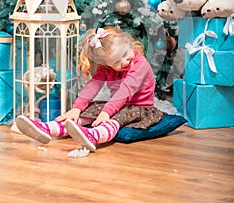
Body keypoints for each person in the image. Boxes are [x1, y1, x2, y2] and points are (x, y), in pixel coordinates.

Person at [16, 26, 163, 152]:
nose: (124, 62)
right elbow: (92, 87)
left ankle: (95, 135)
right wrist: (76, 109)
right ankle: (49, 128)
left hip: (141, 108)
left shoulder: (140, 64)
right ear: (106, 63)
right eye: (117, 62)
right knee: (93, 107)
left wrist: (106, 112)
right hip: (118, 104)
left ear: (129, 45)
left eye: (125, 54)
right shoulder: (106, 68)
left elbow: (125, 91)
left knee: (119, 114)